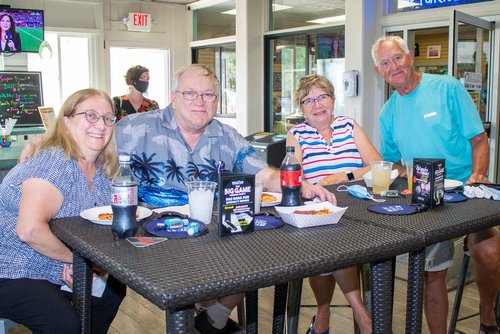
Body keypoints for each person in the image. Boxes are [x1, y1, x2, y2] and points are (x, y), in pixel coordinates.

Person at [115, 64, 336, 333]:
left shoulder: (227, 136)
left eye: (208, 95)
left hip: (213, 236)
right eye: (190, 94)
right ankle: (208, 312)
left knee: (267, 247)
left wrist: (301, 185)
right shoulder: (133, 129)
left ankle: (213, 315)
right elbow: (97, 168)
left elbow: (264, 175)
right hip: (156, 239)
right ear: (174, 97)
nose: (200, 102)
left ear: (216, 101)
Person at [372, 35, 500, 334]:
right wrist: (403, 174)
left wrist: (479, 174)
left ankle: (487, 317)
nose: (394, 67)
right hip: (427, 193)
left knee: (490, 251)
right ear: (379, 72)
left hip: (465, 189)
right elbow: (394, 164)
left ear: (410, 57)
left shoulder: (447, 87)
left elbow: (479, 140)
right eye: (385, 63)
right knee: (433, 272)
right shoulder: (387, 113)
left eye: (398, 58)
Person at [0, 88, 126, 333]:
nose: (100, 124)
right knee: (63, 323)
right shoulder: (54, 160)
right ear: (66, 122)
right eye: (90, 115)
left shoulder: (102, 173)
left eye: (107, 118)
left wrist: (81, 262)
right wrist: (79, 262)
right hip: (10, 267)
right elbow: (29, 230)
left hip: (50, 265)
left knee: (112, 290)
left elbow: (97, 228)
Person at [286, 74, 378, 334]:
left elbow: (376, 165)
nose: (316, 105)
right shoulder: (297, 134)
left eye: (322, 97)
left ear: (333, 99)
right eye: (308, 100)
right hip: (319, 210)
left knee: (337, 243)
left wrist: (342, 176)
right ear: (301, 107)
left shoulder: (349, 126)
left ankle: (322, 317)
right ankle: (362, 315)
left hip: (359, 207)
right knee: (334, 242)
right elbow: (296, 179)